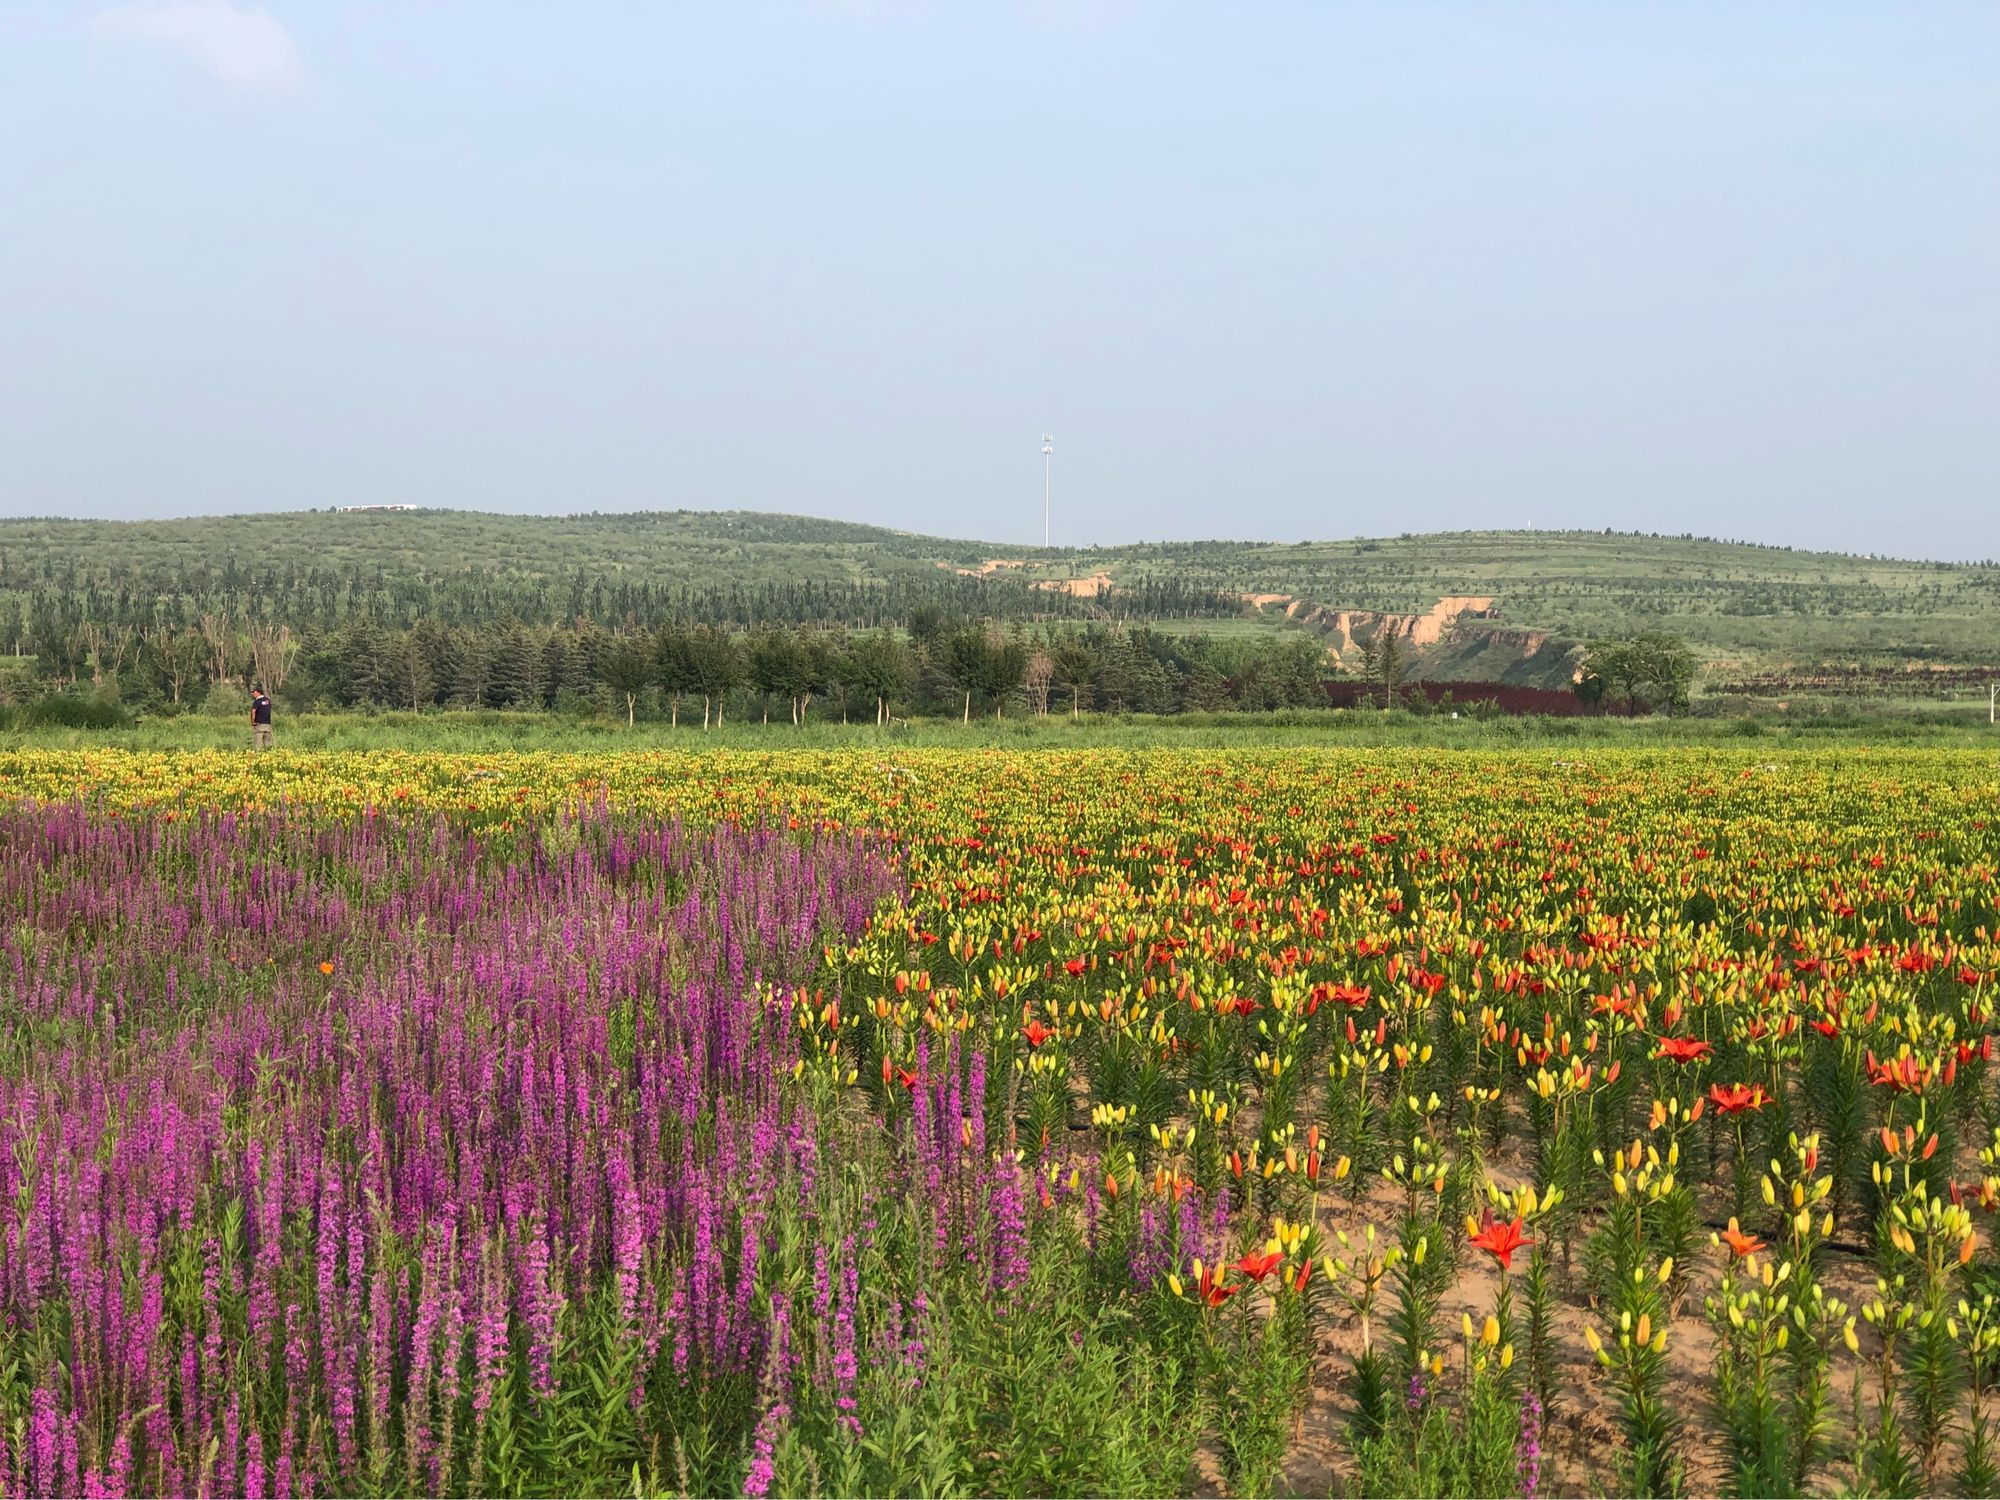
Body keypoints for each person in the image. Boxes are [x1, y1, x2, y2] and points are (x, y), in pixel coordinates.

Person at [250, 686, 274, 750]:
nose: (252, 694)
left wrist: (253, 722)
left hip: (259, 725)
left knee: (257, 745)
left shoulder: (257, 701)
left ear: (258, 693)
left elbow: (253, 712)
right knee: (268, 745)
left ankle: (258, 758)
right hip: (267, 725)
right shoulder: (267, 700)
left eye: (254, 692)